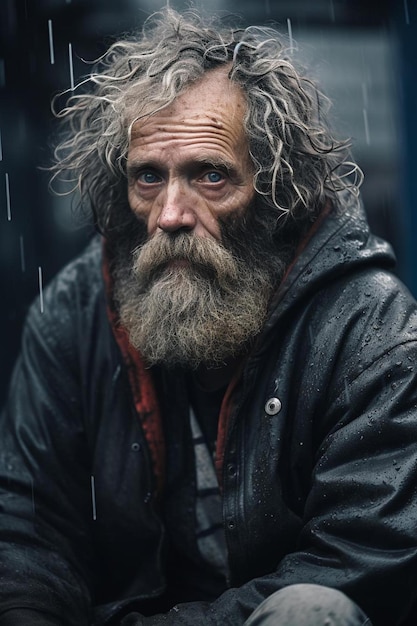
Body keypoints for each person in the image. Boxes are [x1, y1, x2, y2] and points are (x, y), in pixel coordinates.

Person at [1, 7, 417, 626]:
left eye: (211, 175)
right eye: (148, 177)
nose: (171, 213)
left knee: (311, 611)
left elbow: (361, 557)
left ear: (278, 194)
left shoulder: (371, 328)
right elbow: (29, 536)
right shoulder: (74, 315)